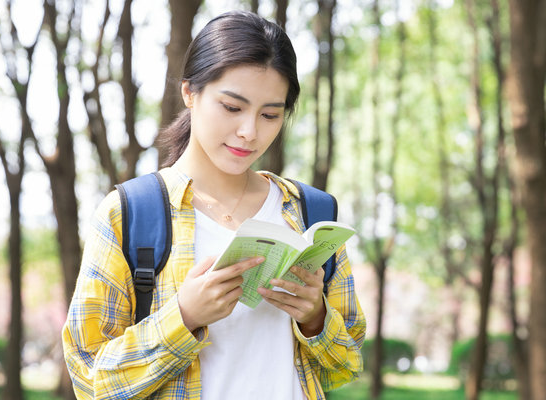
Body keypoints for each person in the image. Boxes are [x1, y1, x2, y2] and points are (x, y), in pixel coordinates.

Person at [62, 10, 365, 400]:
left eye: (270, 114)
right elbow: (89, 379)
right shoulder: (130, 212)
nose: (250, 132)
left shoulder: (309, 212)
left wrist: (315, 318)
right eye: (232, 107)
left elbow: (347, 365)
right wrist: (183, 317)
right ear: (190, 92)